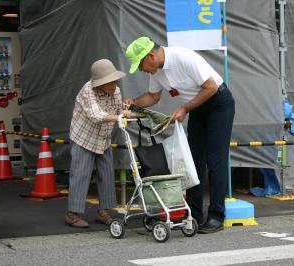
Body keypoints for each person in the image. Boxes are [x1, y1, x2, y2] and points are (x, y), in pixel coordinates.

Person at [124, 37, 235, 233]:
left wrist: (184, 108)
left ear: (150, 56)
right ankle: (193, 214)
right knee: (193, 161)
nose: (141, 70)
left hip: (219, 103)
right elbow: (152, 96)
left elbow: (210, 87)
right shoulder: (156, 71)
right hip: (198, 107)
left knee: (215, 160)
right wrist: (132, 105)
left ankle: (217, 215)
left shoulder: (182, 57)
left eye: (140, 65)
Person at [65, 59, 131, 228]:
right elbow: (96, 115)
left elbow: (118, 111)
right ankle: (72, 214)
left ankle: (103, 212)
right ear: (99, 82)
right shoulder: (88, 91)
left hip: (103, 138)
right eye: (110, 81)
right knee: (81, 173)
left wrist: (124, 109)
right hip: (83, 137)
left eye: (115, 80)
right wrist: (119, 117)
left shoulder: (116, 91)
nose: (114, 84)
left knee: (106, 173)